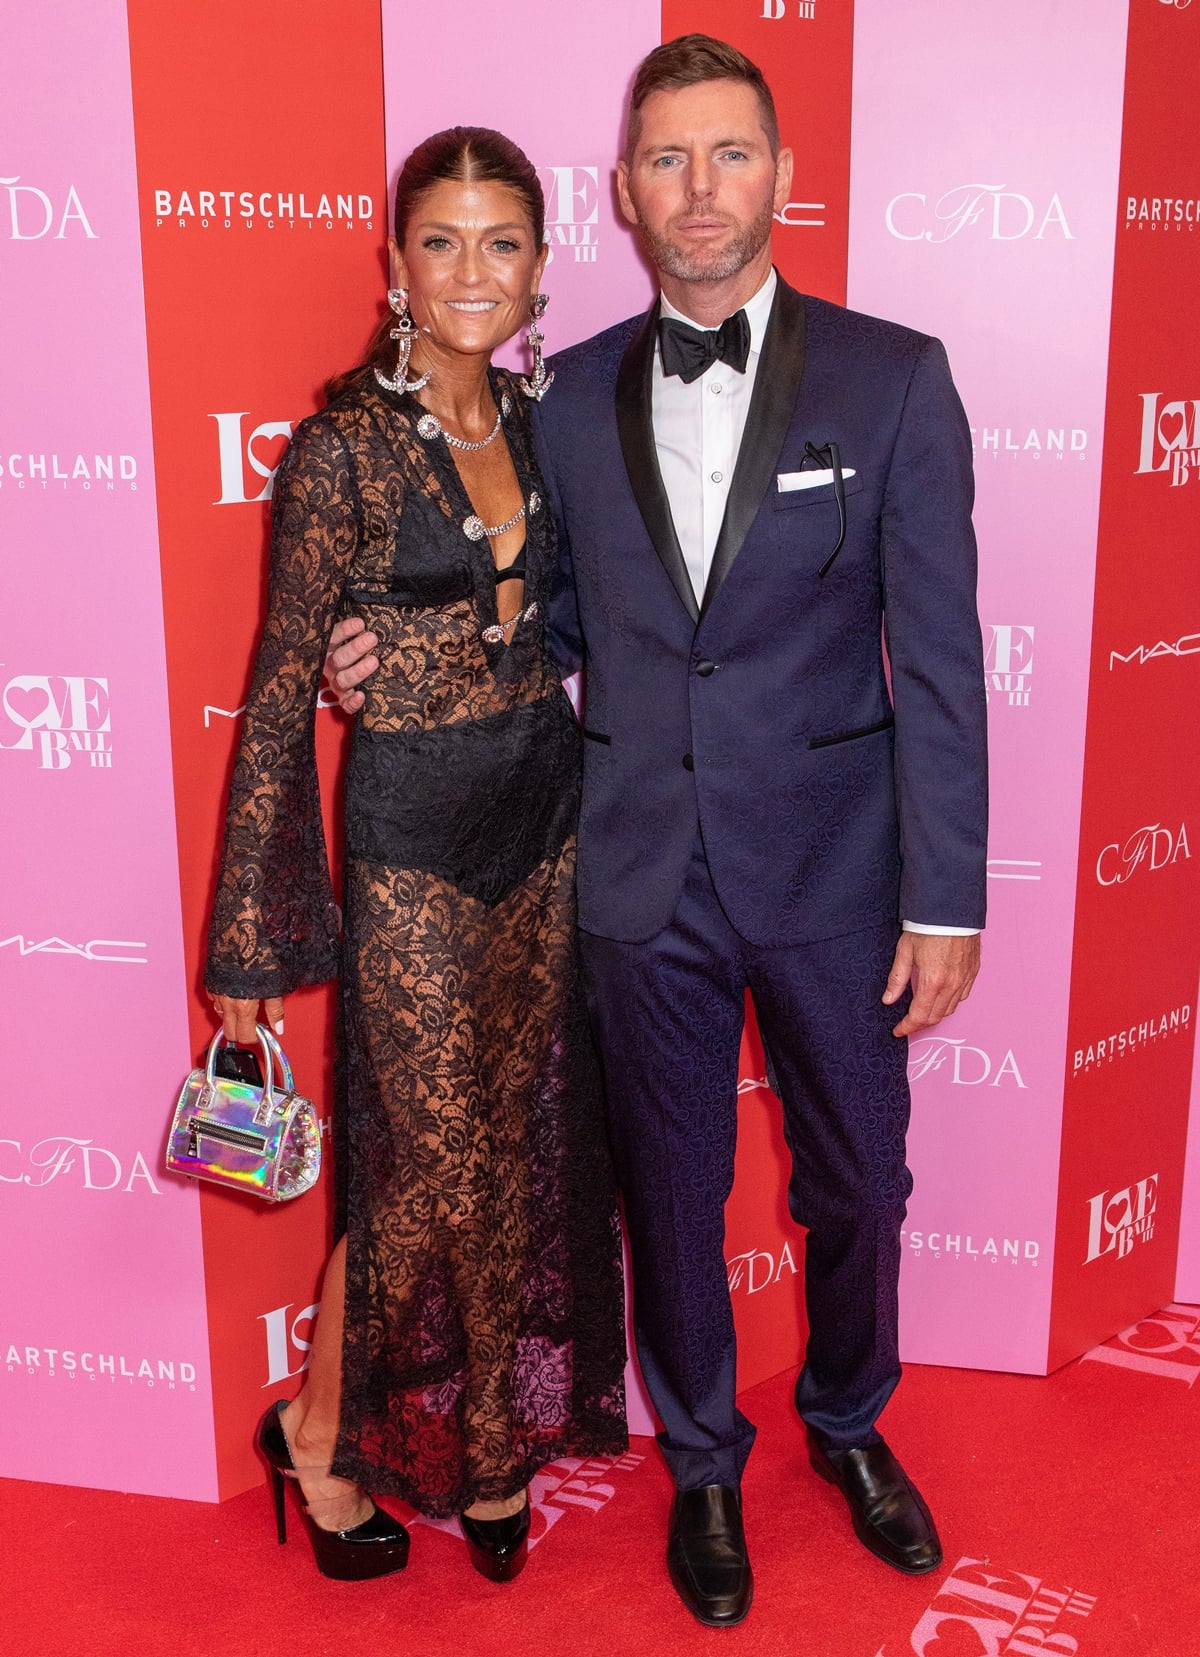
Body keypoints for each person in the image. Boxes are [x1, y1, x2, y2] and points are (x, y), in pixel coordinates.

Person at [328, 35, 987, 1628]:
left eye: (730, 154)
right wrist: (382, 653)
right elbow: (529, 621)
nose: (701, 190)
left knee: (860, 1182)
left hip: (837, 875)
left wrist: (949, 900)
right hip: (634, 880)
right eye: (668, 161)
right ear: (621, 193)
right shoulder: (566, 408)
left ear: (781, 172)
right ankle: (703, 1456)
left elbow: (946, 655)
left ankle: (846, 1417)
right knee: (672, 1192)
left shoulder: (897, 377)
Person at [205, 126, 627, 1586]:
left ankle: (497, 1446)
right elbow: (274, 685)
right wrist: (248, 947)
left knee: (510, 1146)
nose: (469, 272)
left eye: (499, 243)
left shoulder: (546, 419)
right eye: (439, 242)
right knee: (426, 1173)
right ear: (394, 264)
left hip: (543, 816)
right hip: (411, 836)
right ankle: (316, 1438)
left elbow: (572, 615)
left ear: (538, 272)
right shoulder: (340, 448)